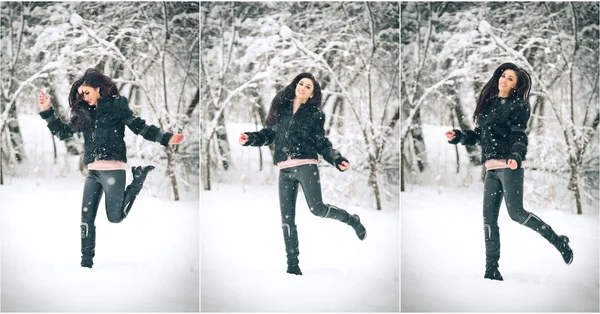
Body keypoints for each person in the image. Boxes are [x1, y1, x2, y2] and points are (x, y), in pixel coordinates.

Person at [38, 68, 185, 268]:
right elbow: (63, 133)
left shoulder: (117, 109)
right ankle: (86, 263)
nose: (84, 97)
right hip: (93, 173)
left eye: (87, 92)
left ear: (98, 89)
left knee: (115, 218)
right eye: (81, 94)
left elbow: (140, 127)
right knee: (86, 218)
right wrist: (47, 111)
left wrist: (167, 138)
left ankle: (137, 180)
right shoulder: (84, 115)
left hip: (113, 171)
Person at [445, 62, 573, 281]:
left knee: (516, 214)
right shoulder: (489, 105)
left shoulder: (518, 106)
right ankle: (491, 269)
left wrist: (516, 156)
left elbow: (518, 135)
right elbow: (480, 135)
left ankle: (557, 240)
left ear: (515, 86)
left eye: (510, 78)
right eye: (503, 75)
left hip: (510, 167)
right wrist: (459, 136)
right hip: (492, 169)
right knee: (488, 219)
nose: (504, 79)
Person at [239, 72, 366, 276]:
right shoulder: (281, 110)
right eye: (301, 83)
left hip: (306, 165)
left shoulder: (315, 114)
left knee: (317, 209)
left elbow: (321, 143)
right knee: (286, 219)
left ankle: (351, 220)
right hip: (284, 169)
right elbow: (268, 134)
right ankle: (293, 266)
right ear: (295, 86)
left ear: (312, 93)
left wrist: (336, 158)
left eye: (308, 86)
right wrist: (250, 139)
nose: (303, 88)